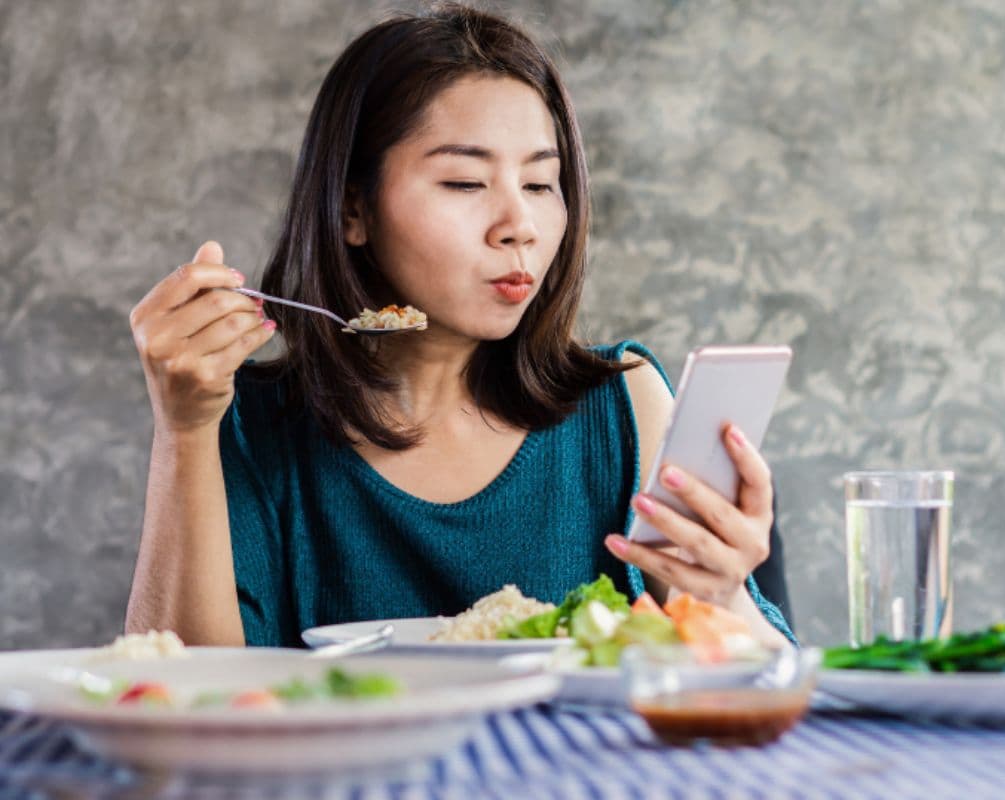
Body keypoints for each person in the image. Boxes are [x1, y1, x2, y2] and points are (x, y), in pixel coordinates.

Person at [125, 3, 793, 649]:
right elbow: (186, 702)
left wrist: (724, 592)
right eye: (466, 184)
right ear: (352, 209)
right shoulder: (241, 425)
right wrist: (181, 433)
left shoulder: (624, 406)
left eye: (540, 185)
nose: (520, 227)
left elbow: (763, 688)